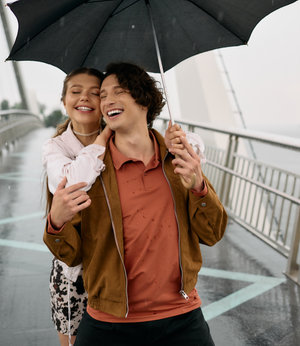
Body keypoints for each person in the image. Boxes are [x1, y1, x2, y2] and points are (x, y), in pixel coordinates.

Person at [44, 62, 227, 346]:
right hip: (109, 323)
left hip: (182, 316)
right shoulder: (91, 171)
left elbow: (212, 233)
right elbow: (70, 254)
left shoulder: (178, 161)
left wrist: (200, 188)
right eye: (103, 95)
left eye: (118, 91)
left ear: (143, 99)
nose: (106, 101)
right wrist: (56, 223)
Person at [42, 67, 111, 346]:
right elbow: (73, 182)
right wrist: (103, 140)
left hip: (114, 265)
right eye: (76, 91)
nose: (85, 98)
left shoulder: (125, 139)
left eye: (95, 93)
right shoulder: (54, 146)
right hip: (73, 270)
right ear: (63, 101)